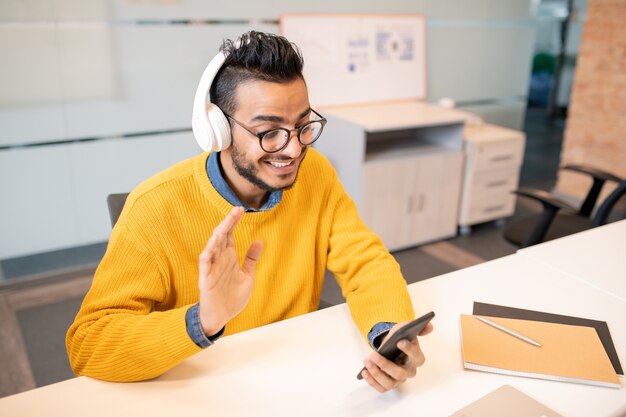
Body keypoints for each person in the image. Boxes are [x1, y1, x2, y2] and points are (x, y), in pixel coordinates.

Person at [66, 31, 432, 393]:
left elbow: (364, 260)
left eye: (303, 125)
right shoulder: (155, 207)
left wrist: (389, 332)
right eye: (269, 131)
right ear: (218, 130)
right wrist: (202, 321)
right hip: (201, 393)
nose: (292, 150)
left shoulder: (315, 173)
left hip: (294, 377)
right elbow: (89, 344)